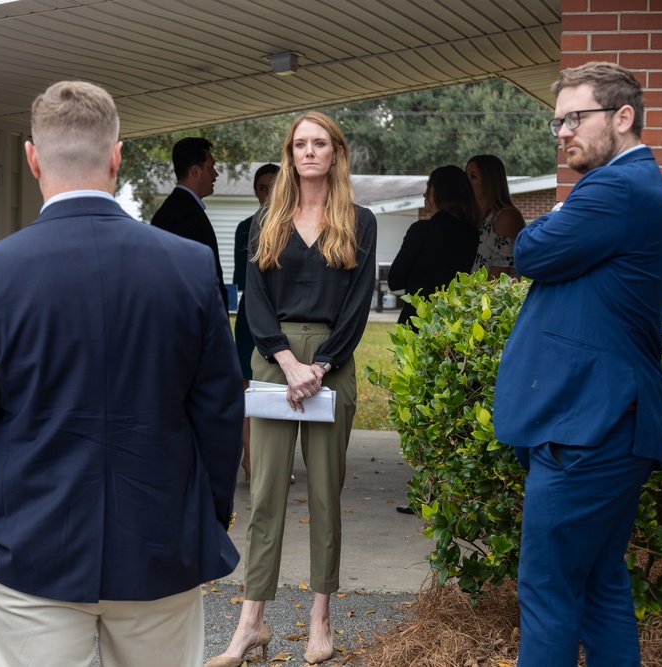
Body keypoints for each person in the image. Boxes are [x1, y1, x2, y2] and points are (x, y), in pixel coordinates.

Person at [0, 81, 244, 667]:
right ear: (116, 155)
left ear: (31, 158)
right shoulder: (189, 265)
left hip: (25, 550)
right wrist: (203, 519)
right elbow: (220, 411)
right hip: (158, 546)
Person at [494, 61, 662, 667]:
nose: (563, 131)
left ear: (622, 117)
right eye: (557, 121)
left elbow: (528, 249)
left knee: (547, 591)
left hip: (588, 429)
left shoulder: (615, 187)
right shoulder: (627, 186)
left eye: (576, 117)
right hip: (605, 426)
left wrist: (548, 227)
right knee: (599, 586)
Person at [208, 111, 377, 667]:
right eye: (300, 144)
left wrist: (320, 366)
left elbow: (356, 307)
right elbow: (253, 298)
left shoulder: (360, 221)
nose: (309, 152)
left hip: (334, 359)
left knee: (326, 496)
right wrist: (285, 359)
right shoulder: (265, 221)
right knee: (265, 498)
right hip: (273, 360)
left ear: (336, 153)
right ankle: (251, 623)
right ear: (290, 154)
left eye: (319, 143)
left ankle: (320, 622)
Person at [387, 165, 480, 327]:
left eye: (428, 187)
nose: (424, 193)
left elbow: (395, 280)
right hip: (453, 323)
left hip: (417, 323)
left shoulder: (421, 231)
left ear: (440, 192)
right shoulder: (473, 234)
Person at [233, 163, 280, 480]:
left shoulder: (299, 226)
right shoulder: (246, 227)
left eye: (274, 186)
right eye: (262, 187)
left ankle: (275, 463)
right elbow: (243, 282)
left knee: (279, 392)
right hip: (253, 319)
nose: (268, 193)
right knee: (251, 391)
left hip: (286, 322)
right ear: (255, 192)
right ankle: (250, 461)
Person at [151, 136, 228, 311]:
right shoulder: (185, 215)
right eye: (211, 168)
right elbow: (188, 282)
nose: (215, 174)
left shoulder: (175, 209)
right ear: (195, 171)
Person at [466, 154, 525, 278]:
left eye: (473, 177)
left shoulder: (505, 218)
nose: (466, 182)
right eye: (465, 176)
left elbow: (499, 275)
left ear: (490, 182)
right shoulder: (474, 218)